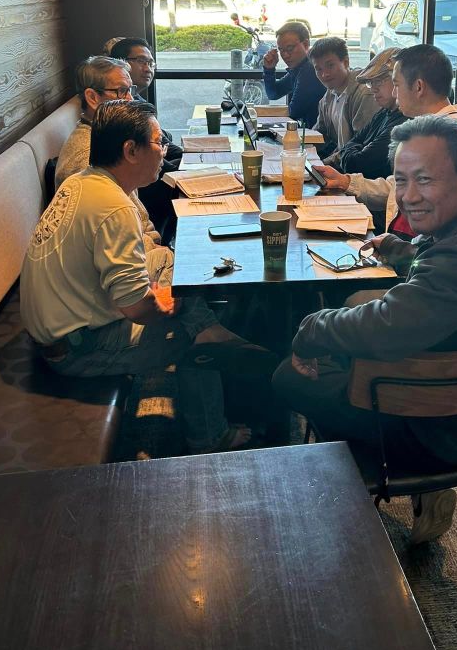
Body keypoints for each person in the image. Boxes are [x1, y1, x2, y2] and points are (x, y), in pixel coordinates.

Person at [273, 116, 457, 543]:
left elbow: (385, 325)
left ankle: (372, 481)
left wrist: (310, 329)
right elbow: (433, 273)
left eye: (425, 180)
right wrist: (398, 248)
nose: (409, 196)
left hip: (440, 428)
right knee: (344, 335)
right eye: (401, 180)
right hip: (456, 399)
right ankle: (353, 470)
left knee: (288, 374)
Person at [21, 100, 275, 454]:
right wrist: (172, 304)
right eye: (159, 142)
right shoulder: (115, 208)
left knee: (169, 260)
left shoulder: (84, 182)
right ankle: (209, 434)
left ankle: (209, 328)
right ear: (130, 150)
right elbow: (139, 310)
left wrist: (171, 296)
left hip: (64, 322)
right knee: (192, 340)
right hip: (75, 349)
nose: (164, 150)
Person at [316, 44, 457, 237]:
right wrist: (346, 182)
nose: (394, 94)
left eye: (396, 85)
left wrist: (401, 251)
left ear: (418, 87)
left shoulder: (451, 138)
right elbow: (397, 188)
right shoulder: (431, 130)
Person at [55, 55, 162, 250]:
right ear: (92, 98)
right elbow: (118, 238)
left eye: (130, 91)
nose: (130, 100)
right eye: (122, 91)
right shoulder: (87, 157)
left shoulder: (110, 138)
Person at [107, 37, 183, 239]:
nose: (148, 68)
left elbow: (163, 143)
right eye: (141, 61)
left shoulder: (134, 101)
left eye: (151, 63)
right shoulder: (115, 119)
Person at [330, 48, 405, 181]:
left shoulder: (402, 123)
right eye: (371, 83)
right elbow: (351, 144)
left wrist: (355, 148)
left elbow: (357, 165)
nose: (374, 88)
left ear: (397, 79)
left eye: (379, 80)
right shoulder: (383, 113)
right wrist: (355, 149)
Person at [309, 36, 378, 161]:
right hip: (341, 161)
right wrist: (296, 147)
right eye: (318, 69)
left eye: (330, 65)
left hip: (358, 166)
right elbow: (319, 134)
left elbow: (361, 145)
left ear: (346, 62)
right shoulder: (328, 96)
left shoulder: (364, 93)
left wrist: (325, 163)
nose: (324, 74)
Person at [261, 22, 326, 127]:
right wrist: (269, 69)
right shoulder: (299, 67)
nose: (285, 55)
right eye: (281, 50)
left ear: (306, 44)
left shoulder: (310, 69)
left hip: (319, 135)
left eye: (290, 48)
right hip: (310, 132)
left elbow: (294, 112)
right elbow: (273, 94)